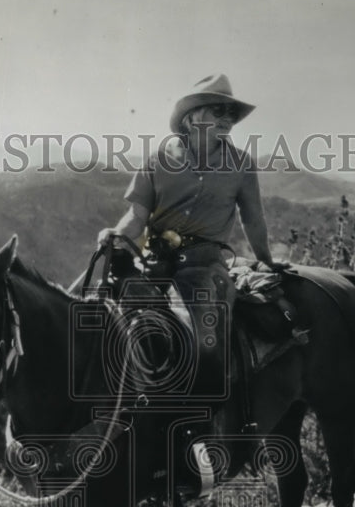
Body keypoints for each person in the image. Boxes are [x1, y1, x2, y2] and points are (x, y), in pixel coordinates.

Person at [97, 73, 284, 402]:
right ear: (192, 116)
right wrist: (116, 234)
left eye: (231, 114)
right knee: (104, 317)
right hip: (153, 262)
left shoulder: (241, 164)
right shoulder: (157, 160)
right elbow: (136, 217)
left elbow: (253, 220)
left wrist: (266, 262)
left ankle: (204, 419)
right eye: (218, 111)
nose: (227, 119)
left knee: (201, 334)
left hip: (205, 265)